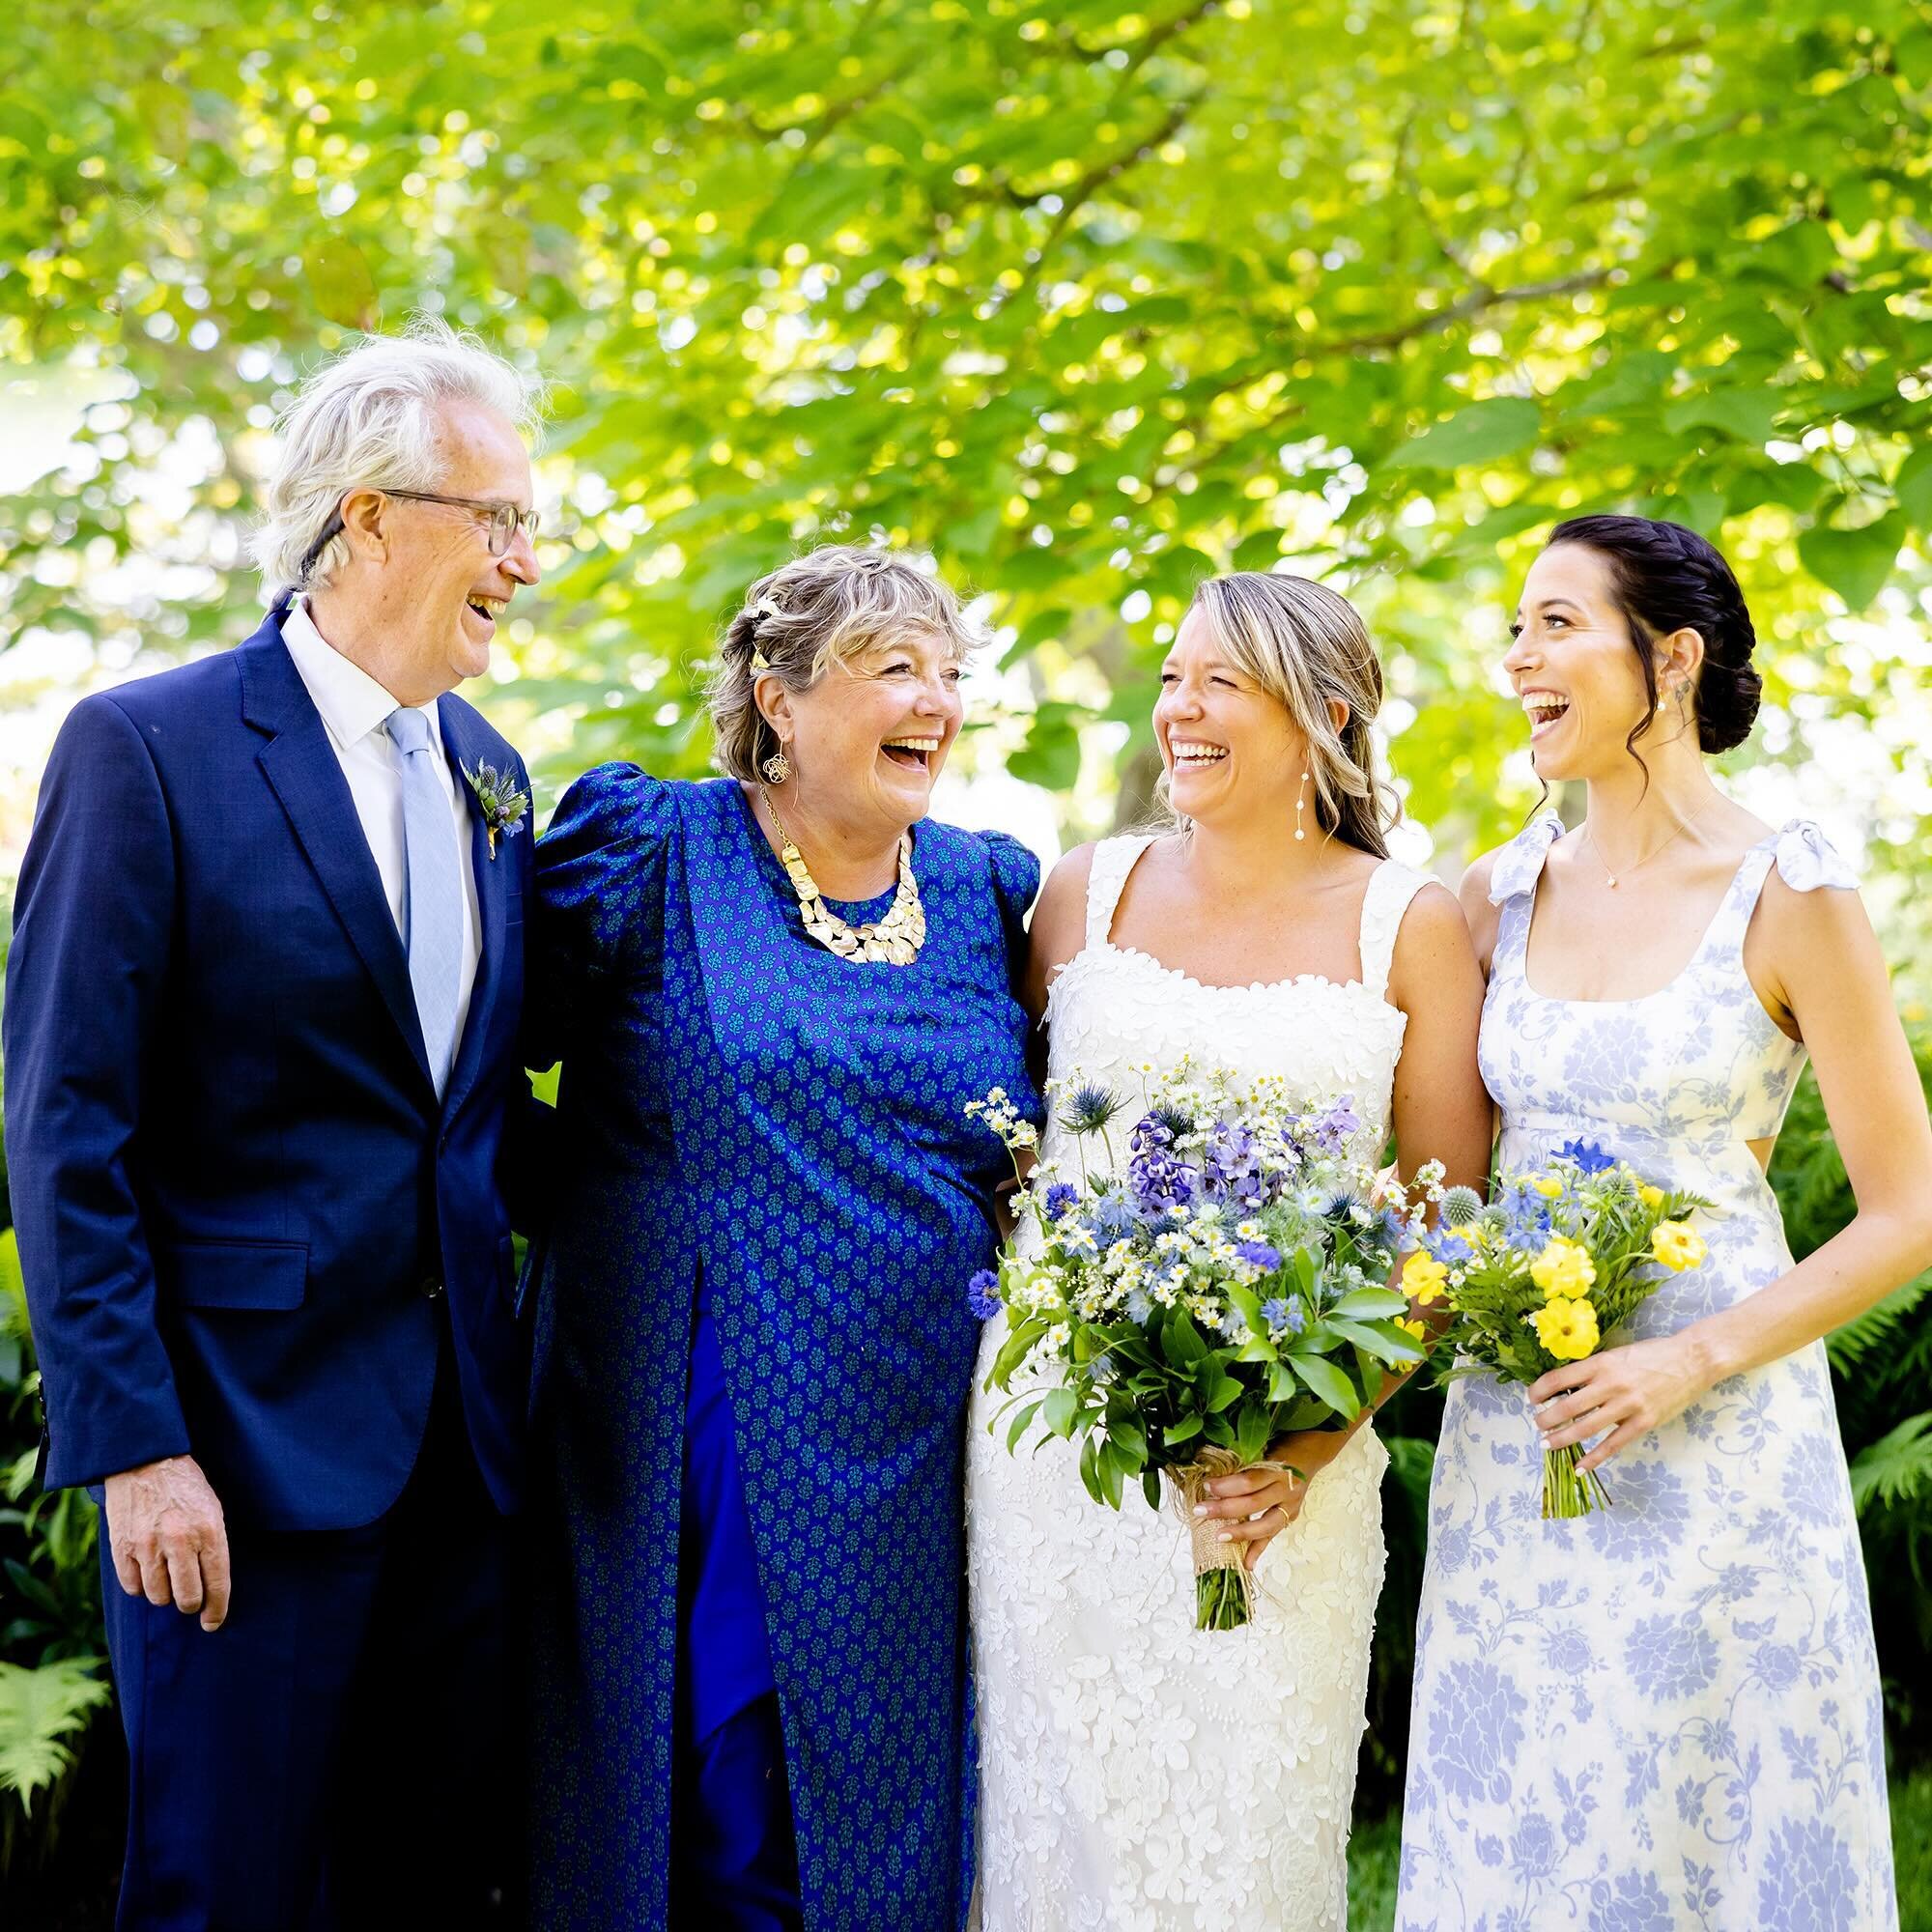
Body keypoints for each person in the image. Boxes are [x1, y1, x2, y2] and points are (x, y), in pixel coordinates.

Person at [3, 317, 545, 1927]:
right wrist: (138, 1451)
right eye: (497, 521)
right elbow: (66, 1122)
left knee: (430, 1899)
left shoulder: (493, 774)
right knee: (220, 1898)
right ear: (370, 515)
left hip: (462, 1468)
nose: (525, 561)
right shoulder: (147, 749)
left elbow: (481, 1116)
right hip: (231, 1467)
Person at [1398, 515, 1930, 1932]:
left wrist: (1685, 1363)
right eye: (1517, 627)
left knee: (1713, 1821)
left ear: (1671, 658)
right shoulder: (1489, 899)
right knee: (1531, 1815)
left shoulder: (1790, 891)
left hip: (1725, 1441)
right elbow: (1441, 1196)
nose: (1519, 658)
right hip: (1525, 1435)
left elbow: (1910, 1211)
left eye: (1557, 623)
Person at [522, 544, 1038, 1931]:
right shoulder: (650, 851)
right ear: (780, 698)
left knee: (896, 1785)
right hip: (711, 1406)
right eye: (892, 669)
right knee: (727, 1780)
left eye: (947, 671)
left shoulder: (992, 894)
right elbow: (477, 1084)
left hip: (929, 1430)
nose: (936, 699)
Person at [966, 572, 1492, 1930]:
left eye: (1221, 685)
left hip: (1284, 1469)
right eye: (1170, 679)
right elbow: (1012, 1155)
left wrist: (1301, 1453)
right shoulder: (1083, 895)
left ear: (1324, 717)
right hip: (1054, 1460)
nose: (1178, 712)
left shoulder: (1411, 924)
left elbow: (1440, 1232)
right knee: (1054, 1824)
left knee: (1247, 1839)